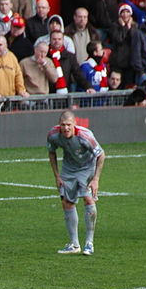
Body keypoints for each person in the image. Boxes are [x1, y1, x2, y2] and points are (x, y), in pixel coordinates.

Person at [47, 110, 105, 257]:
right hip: (69, 167)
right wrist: (57, 176)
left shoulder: (85, 136)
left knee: (87, 198)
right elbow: (51, 152)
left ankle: (89, 243)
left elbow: (101, 155)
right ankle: (74, 244)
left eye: (68, 125)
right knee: (67, 202)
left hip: (87, 166)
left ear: (74, 124)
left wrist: (96, 179)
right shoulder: (53, 135)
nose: (65, 128)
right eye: (63, 125)